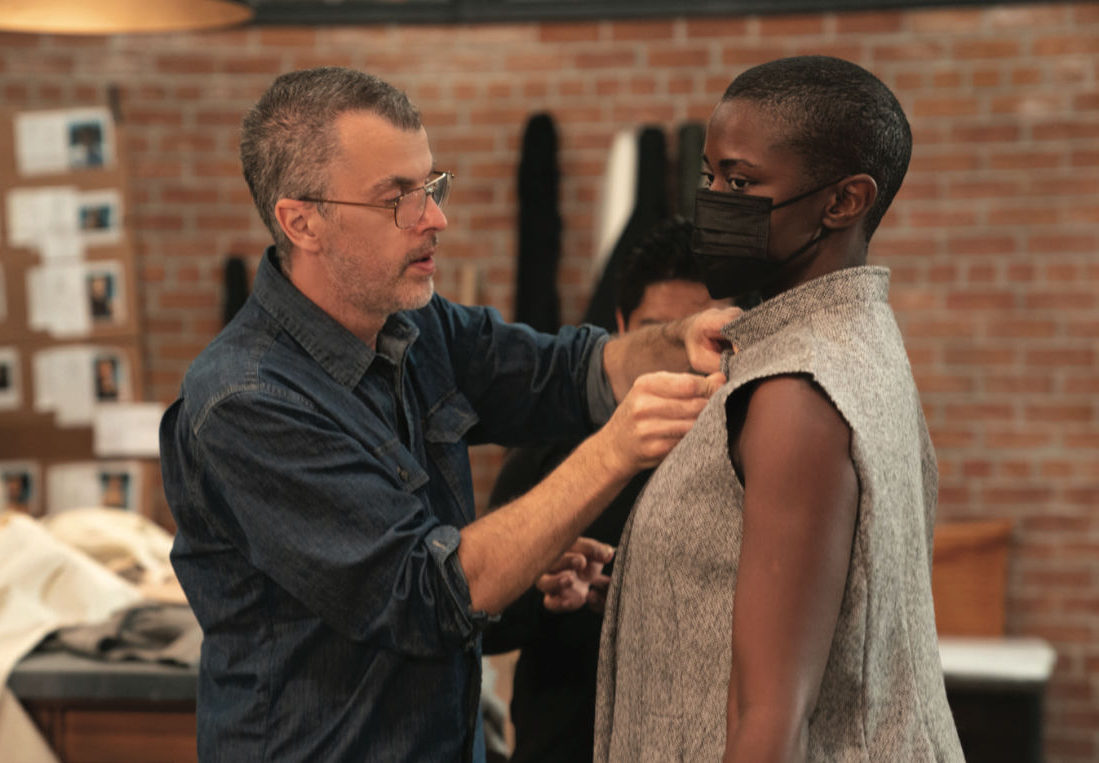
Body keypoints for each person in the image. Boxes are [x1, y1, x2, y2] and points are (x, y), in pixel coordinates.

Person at [158, 66, 738, 763]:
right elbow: (426, 595)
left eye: (431, 185)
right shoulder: (247, 401)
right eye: (398, 199)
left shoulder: (415, 324)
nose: (436, 217)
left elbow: (563, 372)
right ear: (301, 221)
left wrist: (674, 340)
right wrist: (616, 449)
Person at [593, 56, 964, 761]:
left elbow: (770, 720)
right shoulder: (850, 337)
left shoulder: (799, 386)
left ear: (844, 201)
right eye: (709, 178)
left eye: (741, 182)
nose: (714, 201)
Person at [481, 216, 750, 763]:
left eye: (700, 341)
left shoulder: (753, 460)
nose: (682, 366)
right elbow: (478, 624)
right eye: (661, 334)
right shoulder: (551, 451)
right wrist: (537, 585)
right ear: (625, 326)